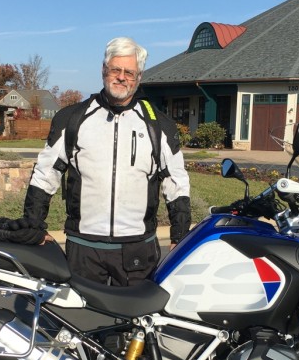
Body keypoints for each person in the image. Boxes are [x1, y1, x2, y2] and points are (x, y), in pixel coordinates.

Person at [22, 37, 191, 285]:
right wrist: (33, 227)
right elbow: (45, 174)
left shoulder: (159, 124)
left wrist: (180, 235)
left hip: (137, 249)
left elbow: (176, 181)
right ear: (104, 70)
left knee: (138, 321)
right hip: (84, 248)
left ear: (139, 77)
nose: (121, 77)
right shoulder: (72, 118)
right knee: (83, 323)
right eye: (116, 69)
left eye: (129, 72)